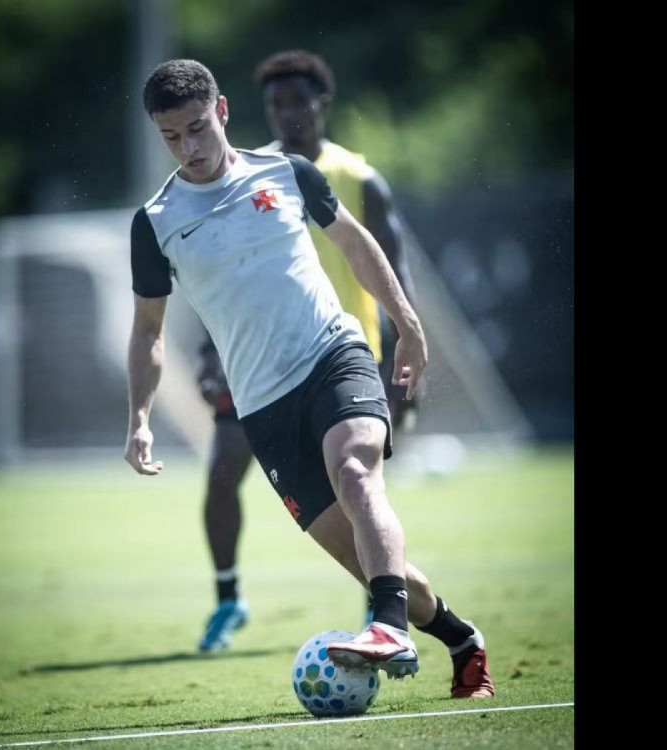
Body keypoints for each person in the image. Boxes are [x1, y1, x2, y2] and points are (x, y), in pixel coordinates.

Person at [125, 59, 493, 698]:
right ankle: (462, 640)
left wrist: (407, 324)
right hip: (263, 407)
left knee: (355, 470)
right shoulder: (155, 222)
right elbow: (148, 331)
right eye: (171, 137)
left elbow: (355, 242)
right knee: (368, 561)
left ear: (222, 111)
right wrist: (139, 418)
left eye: (197, 128)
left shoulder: (288, 173)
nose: (188, 148)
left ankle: (387, 628)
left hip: (334, 355)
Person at [194, 50, 420, 654]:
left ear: (323, 104)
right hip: (257, 362)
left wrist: (406, 358)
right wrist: (207, 350)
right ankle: (228, 599)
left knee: (355, 484)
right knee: (222, 471)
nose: (286, 112)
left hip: (344, 358)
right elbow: (220, 273)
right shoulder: (250, 174)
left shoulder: (359, 178)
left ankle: (383, 606)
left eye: (297, 101)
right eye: (275, 103)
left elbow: (392, 268)